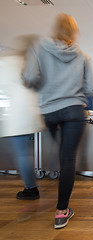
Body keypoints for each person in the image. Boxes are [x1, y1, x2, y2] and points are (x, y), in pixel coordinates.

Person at [22, 13, 93, 229]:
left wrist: (45, 90)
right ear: (74, 32)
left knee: (63, 153)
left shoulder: (38, 47)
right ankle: (61, 211)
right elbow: (90, 89)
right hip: (73, 111)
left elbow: (29, 78)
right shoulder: (83, 56)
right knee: (68, 158)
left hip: (49, 112)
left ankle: (57, 192)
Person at [0, 35, 45, 200]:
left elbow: (5, 87)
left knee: (22, 154)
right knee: (26, 153)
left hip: (19, 116)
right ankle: (31, 185)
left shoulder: (9, 63)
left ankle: (31, 188)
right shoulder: (30, 65)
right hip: (31, 115)